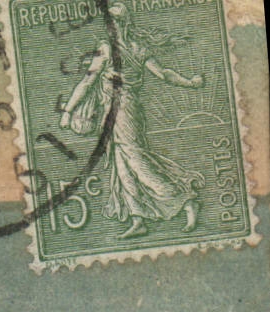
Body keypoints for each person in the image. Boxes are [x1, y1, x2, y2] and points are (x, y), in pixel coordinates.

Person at [59, 2, 205, 238]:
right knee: (122, 165)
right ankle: (138, 219)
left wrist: (68, 111)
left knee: (136, 161)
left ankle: (185, 201)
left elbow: (88, 82)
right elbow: (163, 74)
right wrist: (189, 82)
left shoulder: (112, 49)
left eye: (112, 23)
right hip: (115, 111)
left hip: (124, 110)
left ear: (120, 24)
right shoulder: (132, 48)